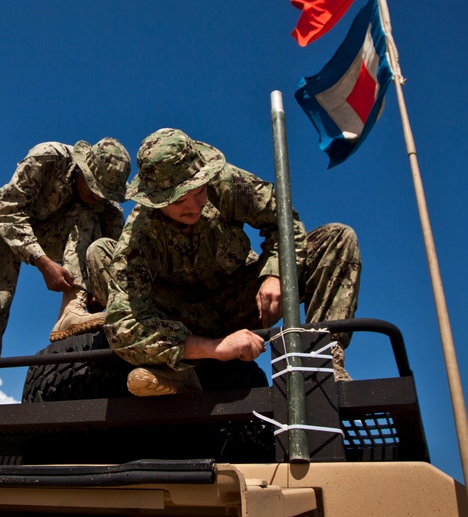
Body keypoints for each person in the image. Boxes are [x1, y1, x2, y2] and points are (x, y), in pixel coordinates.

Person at [87, 128, 360, 397]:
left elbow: (283, 221)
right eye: (179, 200)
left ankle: (323, 364)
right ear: (155, 201)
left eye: (198, 192)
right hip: (180, 318)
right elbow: (124, 326)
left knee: (337, 238)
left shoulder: (226, 183)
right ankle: (173, 372)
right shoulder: (140, 235)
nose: (193, 206)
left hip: (243, 301)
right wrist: (215, 348)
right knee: (101, 252)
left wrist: (276, 274)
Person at [0, 138, 131, 406]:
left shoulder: (105, 207)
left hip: (48, 229)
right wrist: (43, 262)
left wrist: (98, 292)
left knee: (89, 219)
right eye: (95, 186)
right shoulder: (49, 158)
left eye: (106, 192)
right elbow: (10, 211)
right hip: (1, 226)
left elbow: (113, 259)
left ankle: (72, 310)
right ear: (82, 168)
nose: (98, 195)